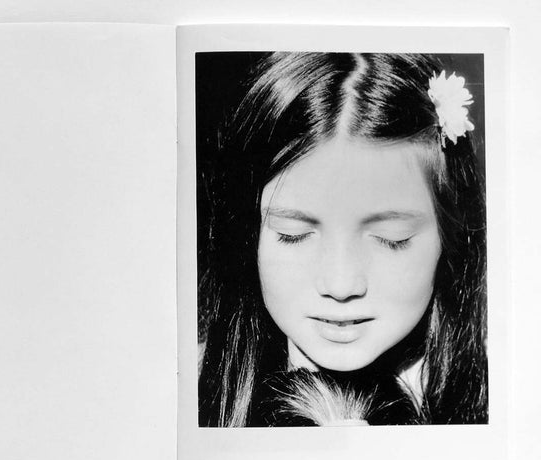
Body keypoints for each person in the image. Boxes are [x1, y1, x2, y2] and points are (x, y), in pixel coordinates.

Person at [197, 52, 487, 427]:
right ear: (248, 236)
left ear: (450, 237)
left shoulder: (513, 397)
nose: (340, 285)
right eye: (293, 235)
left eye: (391, 239)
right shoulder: (180, 392)